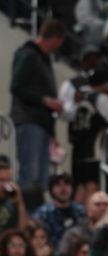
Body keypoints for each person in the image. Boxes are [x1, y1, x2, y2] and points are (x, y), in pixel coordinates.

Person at [10, 20, 66, 189]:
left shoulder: (42, 59)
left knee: (41, 179)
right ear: (56, 38)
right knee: (30, 175)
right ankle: (24, 213)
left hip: (42, 124)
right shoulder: (28, 54)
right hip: (29, 120)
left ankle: (34, 214)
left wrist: (52, 133)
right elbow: (16, 86)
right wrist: (45, 100)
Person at [32, 174, 86, 251]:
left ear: (72, 188)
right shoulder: (43, 213)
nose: (63, 189)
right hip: (50, 255)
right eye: (58, 185)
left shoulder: (81, 211)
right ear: (51, 189)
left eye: (67, 184)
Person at [0, 158, 31, 234]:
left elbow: (24, 232)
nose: (5, 185)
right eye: (1, 181)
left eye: (8, 181)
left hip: (10, 244)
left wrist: (20, 203)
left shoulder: (13, 201)